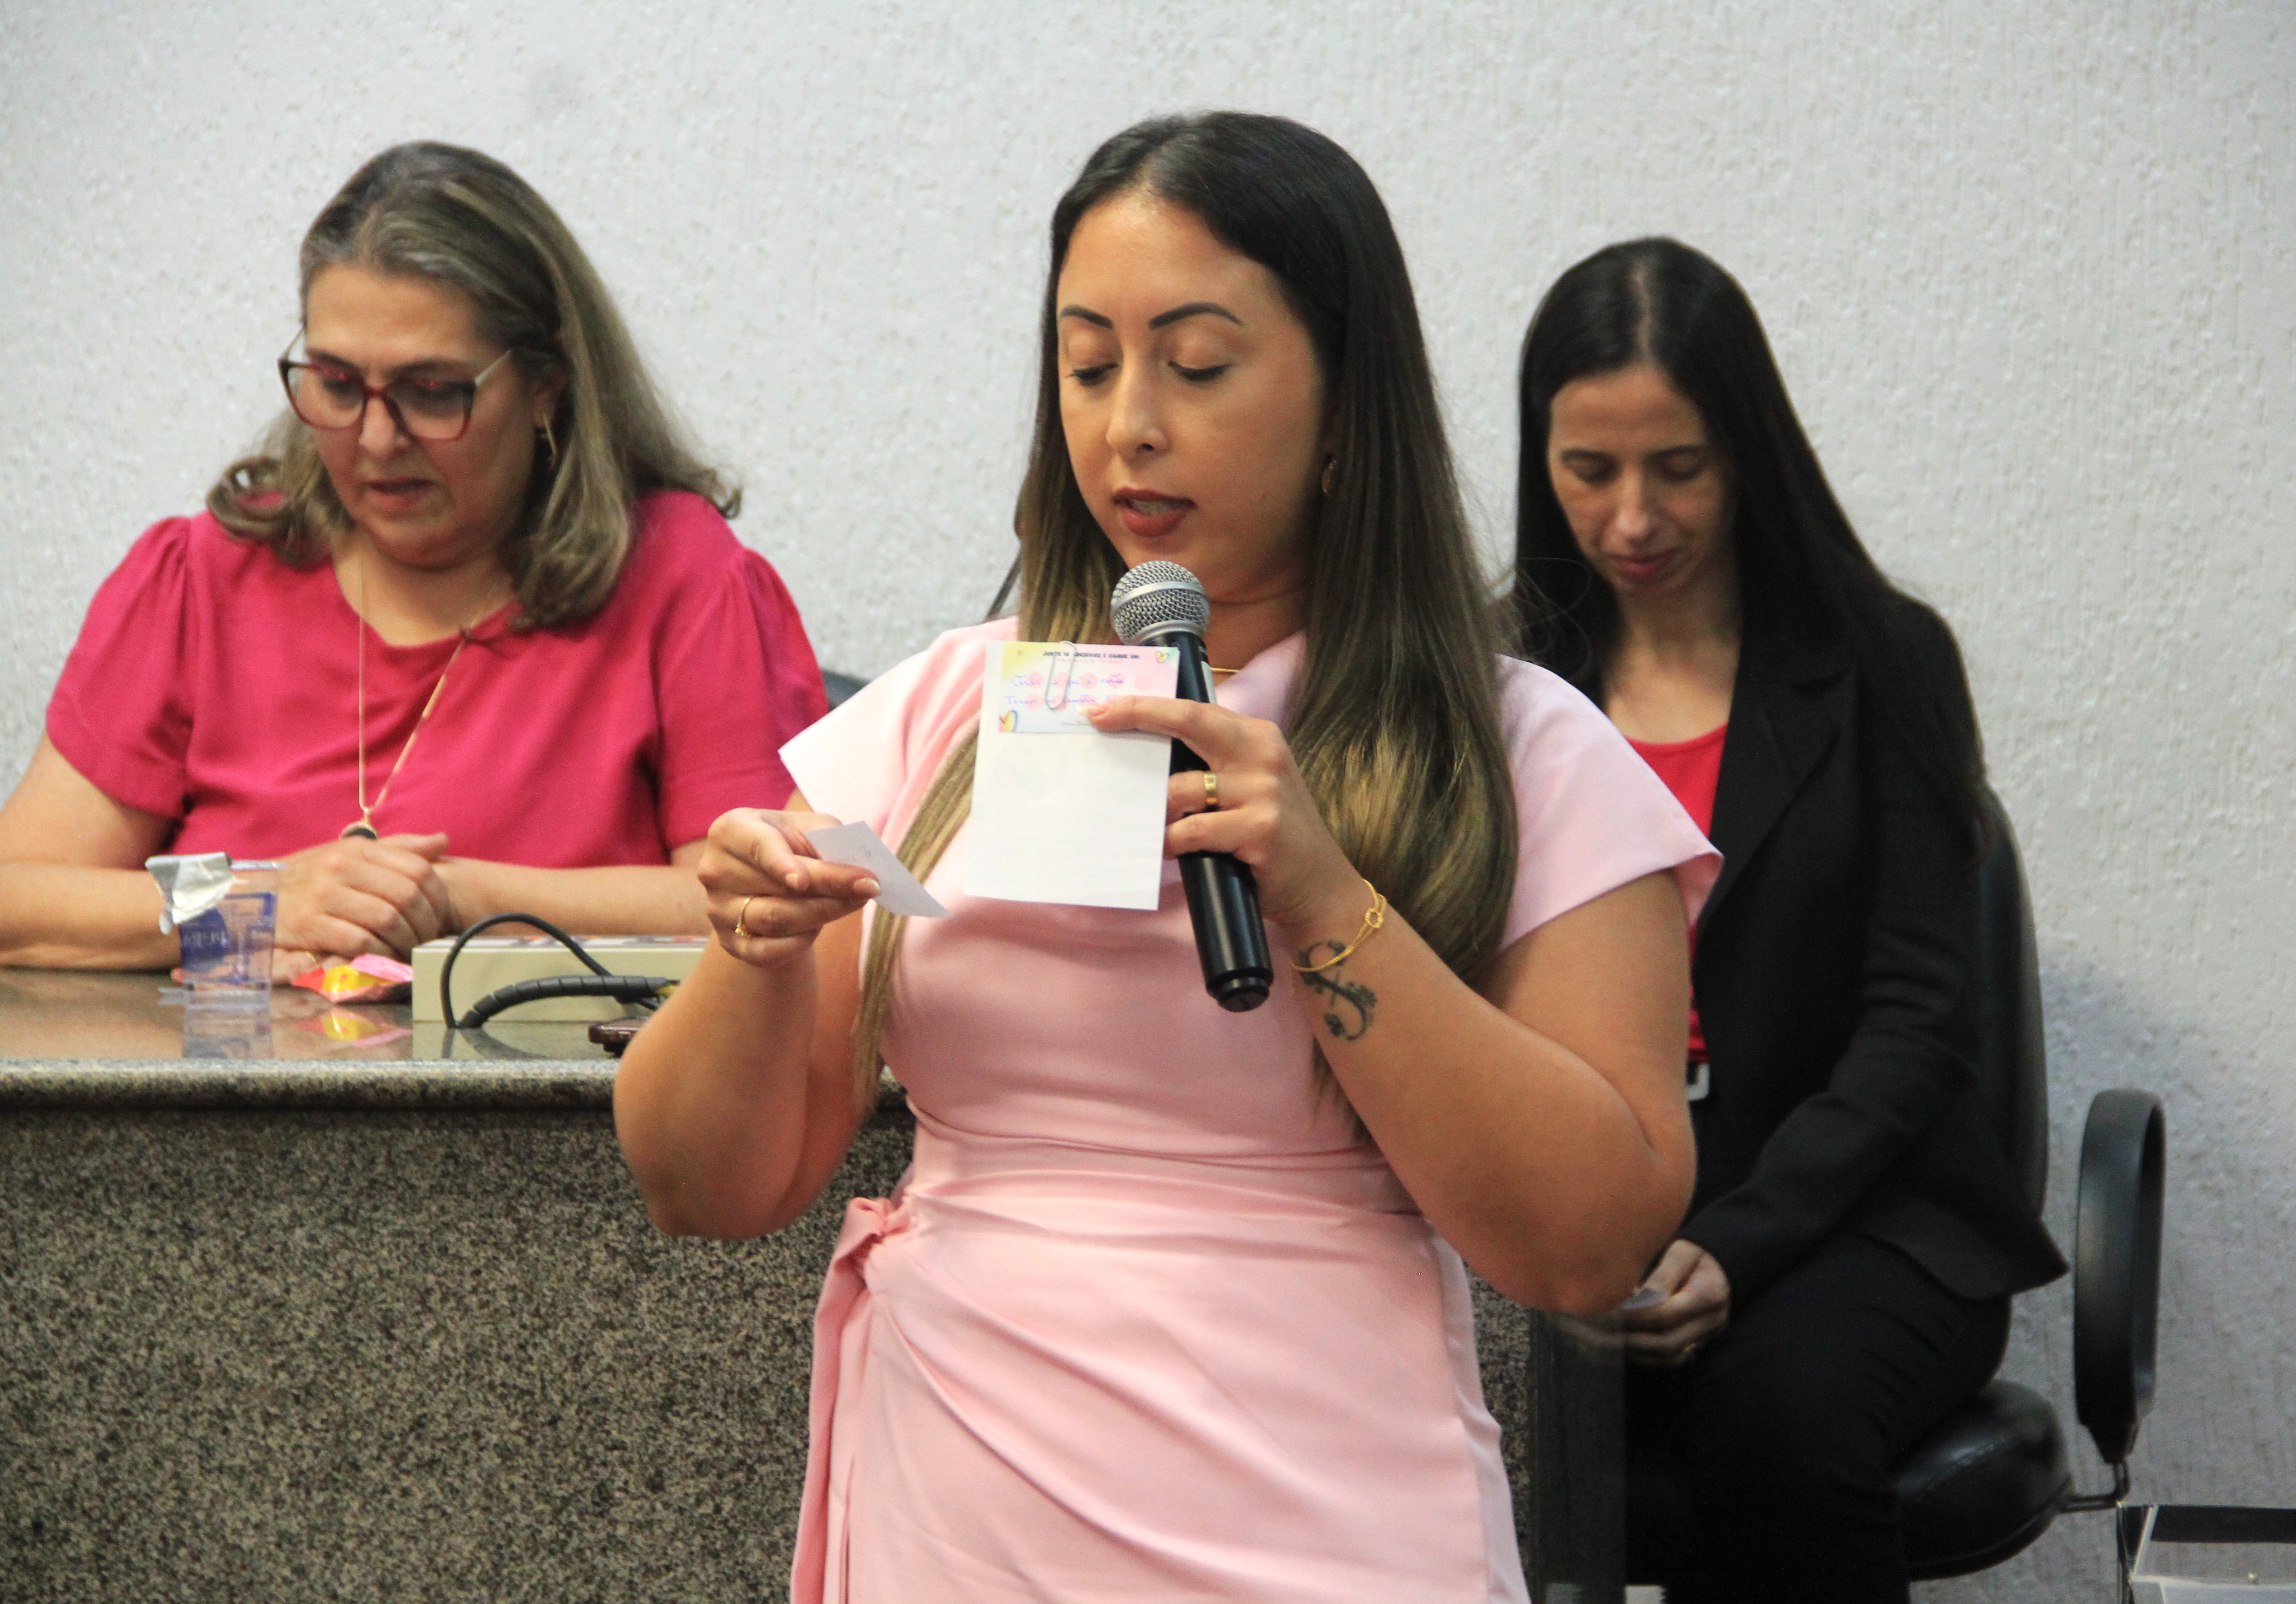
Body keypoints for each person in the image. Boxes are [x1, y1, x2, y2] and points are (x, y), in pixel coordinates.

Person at [614, 113, 1717, 1604]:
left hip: (1322, 1509)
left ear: (1348, 406)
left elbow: (1591, 1244)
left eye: (1196, 367)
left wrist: (1327, 899)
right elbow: (700, 1185)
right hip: (966, 1502)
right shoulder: (946, 713)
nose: (1129, 424)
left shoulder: (1518, 745)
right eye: (1088, 366)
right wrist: (751, 955)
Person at [1507, 236, 2068, 1601]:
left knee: (1779, 1425)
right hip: (1589, 1189)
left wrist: (1741, 1241)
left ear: (1750, 452)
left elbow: (1917, 1021)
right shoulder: (1504, 675)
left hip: (1855, 1213)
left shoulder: (1883, 661)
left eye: (1678, 468)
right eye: (1589, 470)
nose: (1632, 518)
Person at [0, 142, 825, 978]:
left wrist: (450, 898)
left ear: (547, 386)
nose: (376, 439)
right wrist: (257, 899)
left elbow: (763, 902)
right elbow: (16, 900)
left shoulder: (681, 577)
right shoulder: (202, 579)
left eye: (432, 393)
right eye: (337, 384)